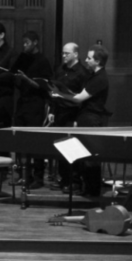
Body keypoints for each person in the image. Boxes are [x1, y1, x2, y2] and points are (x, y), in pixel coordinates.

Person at [51, 44, 111, 196]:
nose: (86, 60)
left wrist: (60, 95)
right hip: (87, 117)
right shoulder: (94, 76)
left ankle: (92, 191)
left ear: (97, 61)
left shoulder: (100, 78)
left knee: (91, 157)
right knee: (86, 156)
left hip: (92, 119)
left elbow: (79, 98)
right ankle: (88, 188)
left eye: (89, 58)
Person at [12, 31, 53, 188]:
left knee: (35, 141)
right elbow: (16, 78)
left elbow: (44, 86)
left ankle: (38, 177)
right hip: (22, 103)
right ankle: (25, 175)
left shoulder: (43, 61)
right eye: (23, 42)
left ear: (35, 42)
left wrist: (26, 79)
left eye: (27, 42)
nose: (24, 45)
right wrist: (16, 78)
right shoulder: (23, 59)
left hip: (36, 104)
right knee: (21, 140)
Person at [46, 42, 89, 192]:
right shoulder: (60, 69)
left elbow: (84, 99)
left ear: (76, 54)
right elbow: (55, 92)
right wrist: (52, 110)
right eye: (63, 53)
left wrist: (78, 119)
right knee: (61, 147)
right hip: (60, 113)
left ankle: (74, 181)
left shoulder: (82, 73)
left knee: (73, 148)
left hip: (73, 114)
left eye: (67, 53)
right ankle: (63, 178)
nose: (64, 56)